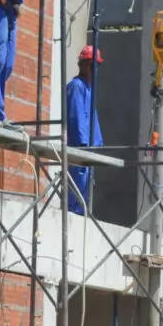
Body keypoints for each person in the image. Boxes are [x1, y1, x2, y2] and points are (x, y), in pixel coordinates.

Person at [64, 45, 104, 215]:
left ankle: (80, 211)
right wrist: (83, 144)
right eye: (93, 65)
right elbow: (77, 116)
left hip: (88, 147)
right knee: (78, 180)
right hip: (79, 147)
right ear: (84, 64)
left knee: (86, 182)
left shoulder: (89, 89)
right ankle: (74, 211)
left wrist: (97, 143)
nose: (96, 70)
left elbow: (92, 118)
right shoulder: (76, 86)